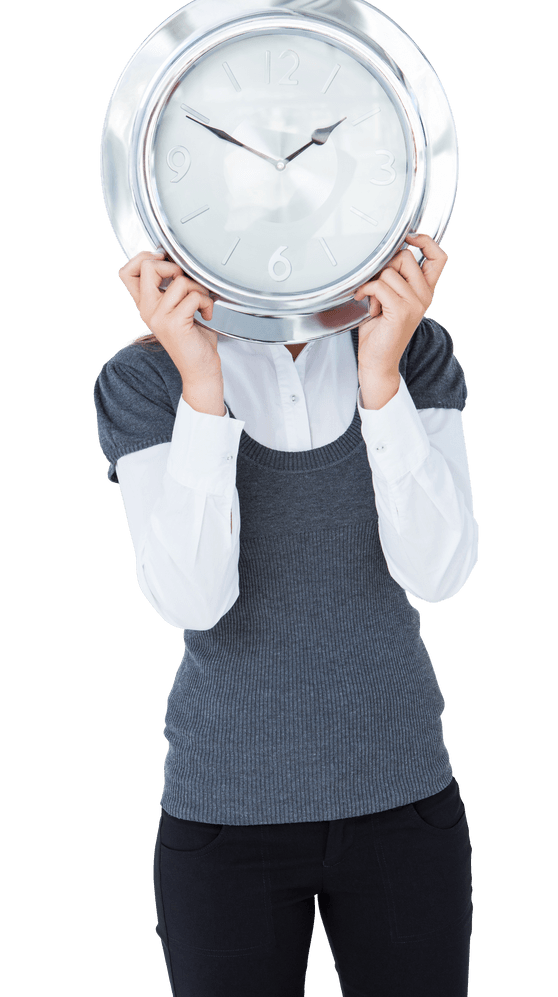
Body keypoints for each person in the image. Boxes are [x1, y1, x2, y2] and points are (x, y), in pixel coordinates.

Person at [92, 232, 480, 996]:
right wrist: (202, 385)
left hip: (403, 800)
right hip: (225, 817)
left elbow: (439, 572)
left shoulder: (413, 346)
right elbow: (194, 599)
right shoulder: (143, 377)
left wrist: (381, 377)